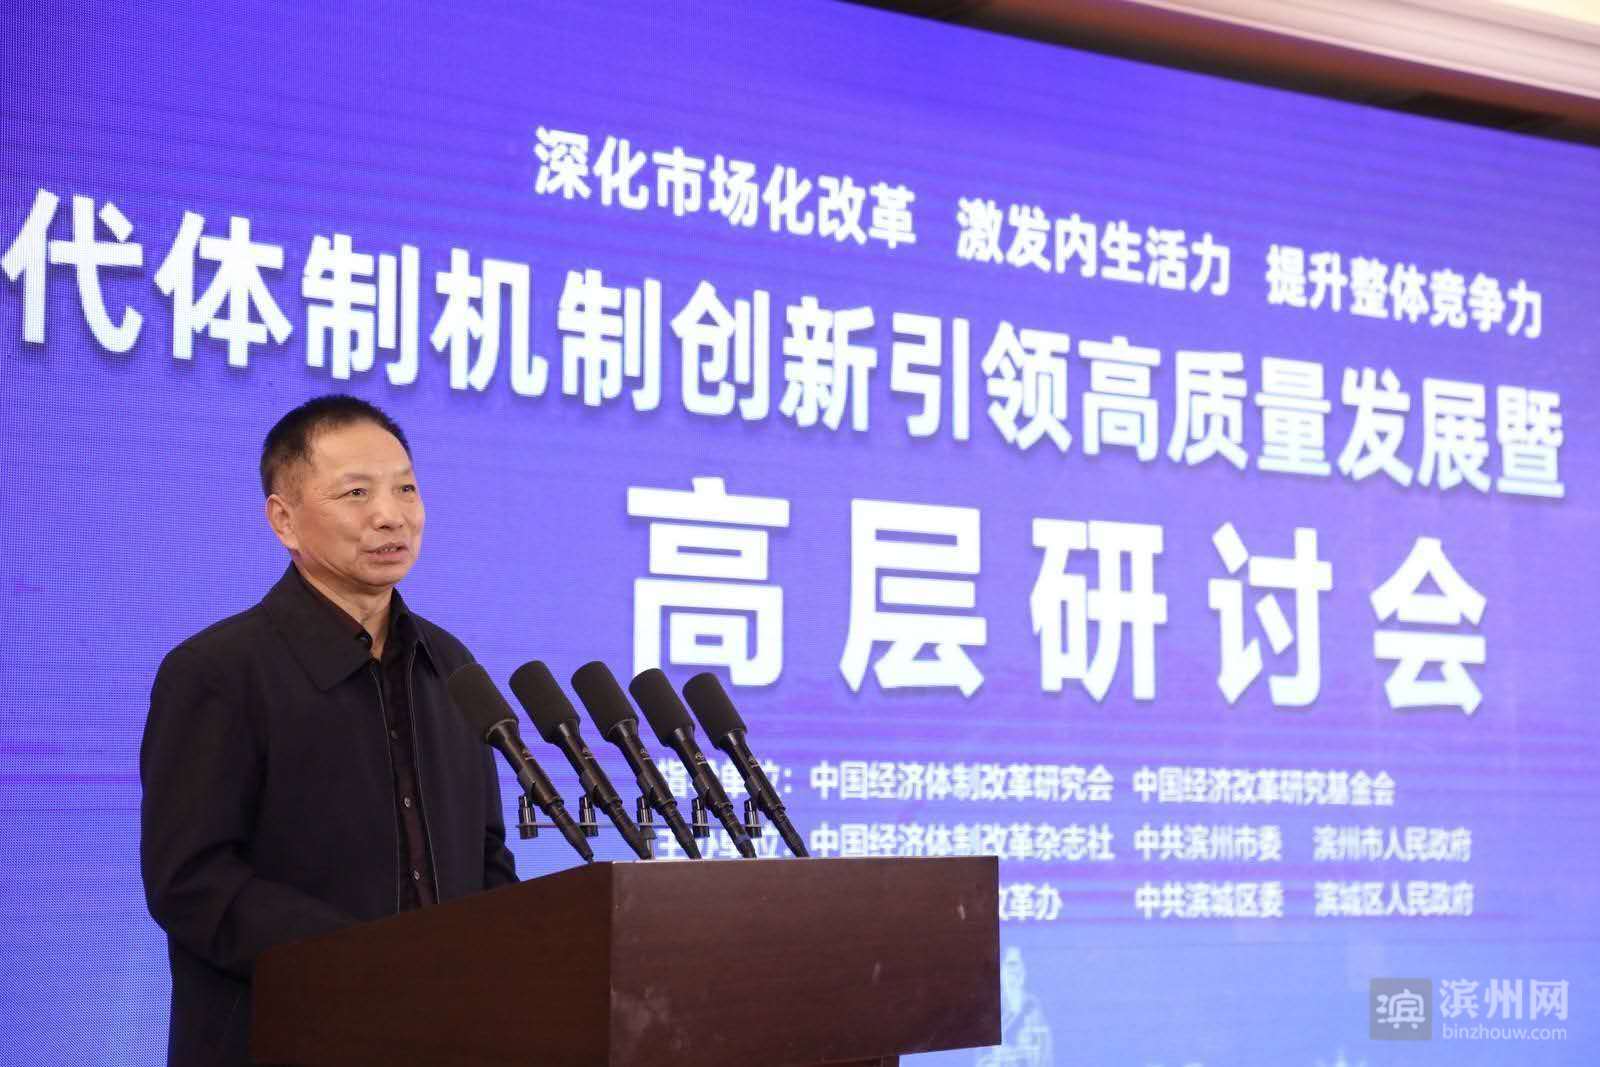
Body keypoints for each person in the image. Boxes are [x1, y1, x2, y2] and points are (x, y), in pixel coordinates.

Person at [140, 394, 517, 1067]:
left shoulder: (450, 664)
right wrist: (366, 963)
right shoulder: (217, 671)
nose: (391, 514)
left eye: (406, 488)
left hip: (444, 1037)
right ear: (283, 519)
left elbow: (485, 855)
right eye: (356, 493)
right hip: (279, 1036)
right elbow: (193, 882)